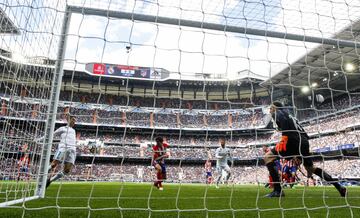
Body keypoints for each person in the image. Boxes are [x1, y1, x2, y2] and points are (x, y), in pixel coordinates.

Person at [263, 101, 347, 197]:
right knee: (310, 168)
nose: (270, 110)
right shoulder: (290, 115)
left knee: (268, 157)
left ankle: (278, 191)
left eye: (271, 108)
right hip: (304, 142)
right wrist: (296, 153)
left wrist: (284, 138)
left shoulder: (279, 112)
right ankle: (338, 186)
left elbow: (284, 123)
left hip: (292, 140)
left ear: (275, 108)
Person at [37, 115, 77, 188]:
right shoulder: (62, 128)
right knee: (54, 164)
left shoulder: (74, 131)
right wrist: (39, 140)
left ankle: (50, 180)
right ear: (69, 120)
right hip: (63, 148)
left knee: (67, 170)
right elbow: (51, 135)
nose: (74, 122)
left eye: (75, 121)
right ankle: (42, 175)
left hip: (72, 150)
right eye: (73, 120)